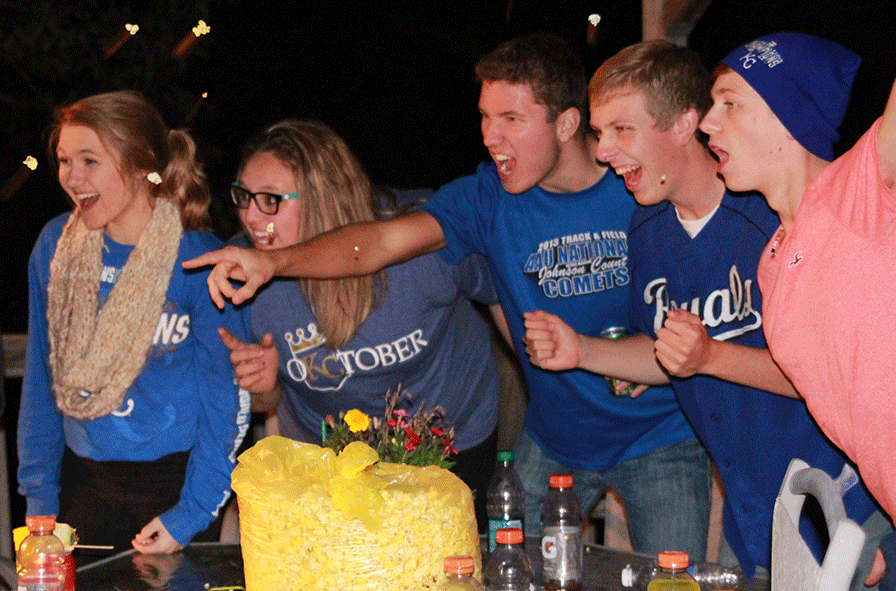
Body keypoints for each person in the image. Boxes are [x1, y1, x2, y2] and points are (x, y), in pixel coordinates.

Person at [185, 34, 711, 558]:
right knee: (496, 575)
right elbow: (378, 243)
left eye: (510, 119)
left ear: (567, 123)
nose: (490, 136)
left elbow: (708, 293)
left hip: (660, 436)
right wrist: (271, 261)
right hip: (556, 441)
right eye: (485, 117)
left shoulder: (641, 187)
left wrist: (641, 357)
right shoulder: (482, 200)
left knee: (677, 582)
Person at [522, 39, 886, 591]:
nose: (602, 152)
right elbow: (674, 354)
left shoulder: (776, 212)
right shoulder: (648, 234)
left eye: (623, 130)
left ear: (683, 123)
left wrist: (712, 356)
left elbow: (822, 372)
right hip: (760, 516)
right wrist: (584, 352)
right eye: (601, 132)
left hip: (847, 503)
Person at [218, 119, 501, 530]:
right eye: (243, 197)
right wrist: (265, 388)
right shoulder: (243, 275)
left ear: (322, 196)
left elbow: (504, 298)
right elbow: (264, 404)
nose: (251, 216)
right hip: (333, 460)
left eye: (270, 200)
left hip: (450, 444)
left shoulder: (418, 243)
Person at [698, 32, 896, 591]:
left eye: (730, 103)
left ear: (787, 118)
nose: (707, 123)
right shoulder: (772, 261)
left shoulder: (860, 189)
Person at [18, 91, 250, 554]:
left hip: (176, 483)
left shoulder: (199, 259)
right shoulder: (54, 249)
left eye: (89, 160)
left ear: (143, 162)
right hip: (83, 484)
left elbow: (226, 399)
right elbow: (42, 378)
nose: (73, 178)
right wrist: (40, 494)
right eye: (65, 160)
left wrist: (192, 512)